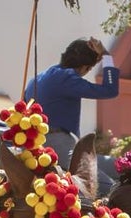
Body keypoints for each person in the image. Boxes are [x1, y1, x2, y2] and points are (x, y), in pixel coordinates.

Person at [23, 37, 118, 167]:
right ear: (85, 67)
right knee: (106, 182)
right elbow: (110, 90)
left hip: (32, 144)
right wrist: (106, 55)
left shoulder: (38, 77)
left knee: (112, 165)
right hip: (57, 144)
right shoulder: (68, 78)